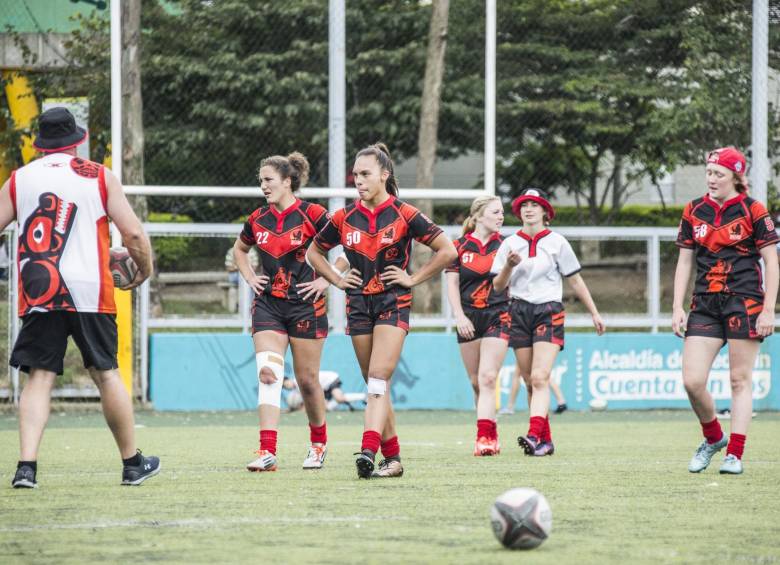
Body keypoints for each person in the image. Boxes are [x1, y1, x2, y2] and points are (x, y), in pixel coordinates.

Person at [0, 107, 158, 488]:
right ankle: (132, 464)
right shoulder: (99, 176)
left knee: (39, 377)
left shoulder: (19, 179)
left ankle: (26, 468)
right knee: (106, 373)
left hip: (42, 288)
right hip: (91, 289)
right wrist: (144, 270)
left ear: (40, 145)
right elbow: (133, 234)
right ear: (76, 142)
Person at [307, 142, 457, 479]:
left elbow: (447, 250)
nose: (358, 180)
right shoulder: (344, 216)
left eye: (365, 174)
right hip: (358, 304)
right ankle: (393, 459)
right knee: (376, 384)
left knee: (377, 379)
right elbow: (313, 253)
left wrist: (413, 278)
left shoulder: (406, 214)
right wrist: (336, 279)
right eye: (355, 174)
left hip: (393, 302)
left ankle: (368, 450)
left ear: (384, 175)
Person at [235, 151, 349, 473]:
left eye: (268, 180)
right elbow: (239, 249)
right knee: (268, 373)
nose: (263, 186)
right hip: (268, 305)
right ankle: (267, 451)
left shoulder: (314, 214)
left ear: (287, 181)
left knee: (308, 382)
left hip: (307, 307)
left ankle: (318, 444)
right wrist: (248, 275)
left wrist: (328, 281)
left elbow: (349, 249)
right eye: (261, 181)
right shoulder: (257, 219)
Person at [672, 147, 778, 475]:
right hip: (704, 304)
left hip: (744, 301)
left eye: (719, 173)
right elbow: (685, 260)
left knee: (738, 379)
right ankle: (714, 437)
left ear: (736, 176)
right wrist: (676, 306)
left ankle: (735, 453)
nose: (712, 178)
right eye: (709, 172)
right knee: (692, 381)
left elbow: (772, 262)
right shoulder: (694, 210)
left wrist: (768, 310)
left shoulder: (753, 210)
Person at [492, 188, 605, 456]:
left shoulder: (557, 242)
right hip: (518, 311)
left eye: (535, 204)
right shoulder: (509, 243)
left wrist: (594, 312)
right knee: (531, 381)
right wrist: (508, 266)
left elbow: (575, 279)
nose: (528, 209)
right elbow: (497, 287)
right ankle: (545, 441)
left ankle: (533, 434)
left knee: (541, 376)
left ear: (545, 211)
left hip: (548, 311)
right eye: (524, 205)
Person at [445, 196, 510, 456]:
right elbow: (451, 285)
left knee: (488, 378)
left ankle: (485, 438)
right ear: (479, 216)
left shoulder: (507, 245)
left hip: (499, 314)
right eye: (495, 212)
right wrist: (459, 317)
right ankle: (488, 428)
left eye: (502, 212)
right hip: (469, 317)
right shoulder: (458, 247)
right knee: (476, 382)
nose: (501, 216)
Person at [499, 361, 567, 415]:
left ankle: (510, 407)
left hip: (528, 345)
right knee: (542, 375)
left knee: (518, 373)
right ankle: (561, 402)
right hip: (537, 345)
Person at [283, 371, 366, 412]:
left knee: (339, 398)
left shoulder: (298, 383)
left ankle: (364, 397)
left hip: (330, 379)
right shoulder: (297, 387)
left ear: (289, 380)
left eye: (286, 384)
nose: (287, 387)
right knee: (325, 408)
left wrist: (303, 408)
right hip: (324, 387)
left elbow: (310, 397)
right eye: (285, 387)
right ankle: (346, 400)